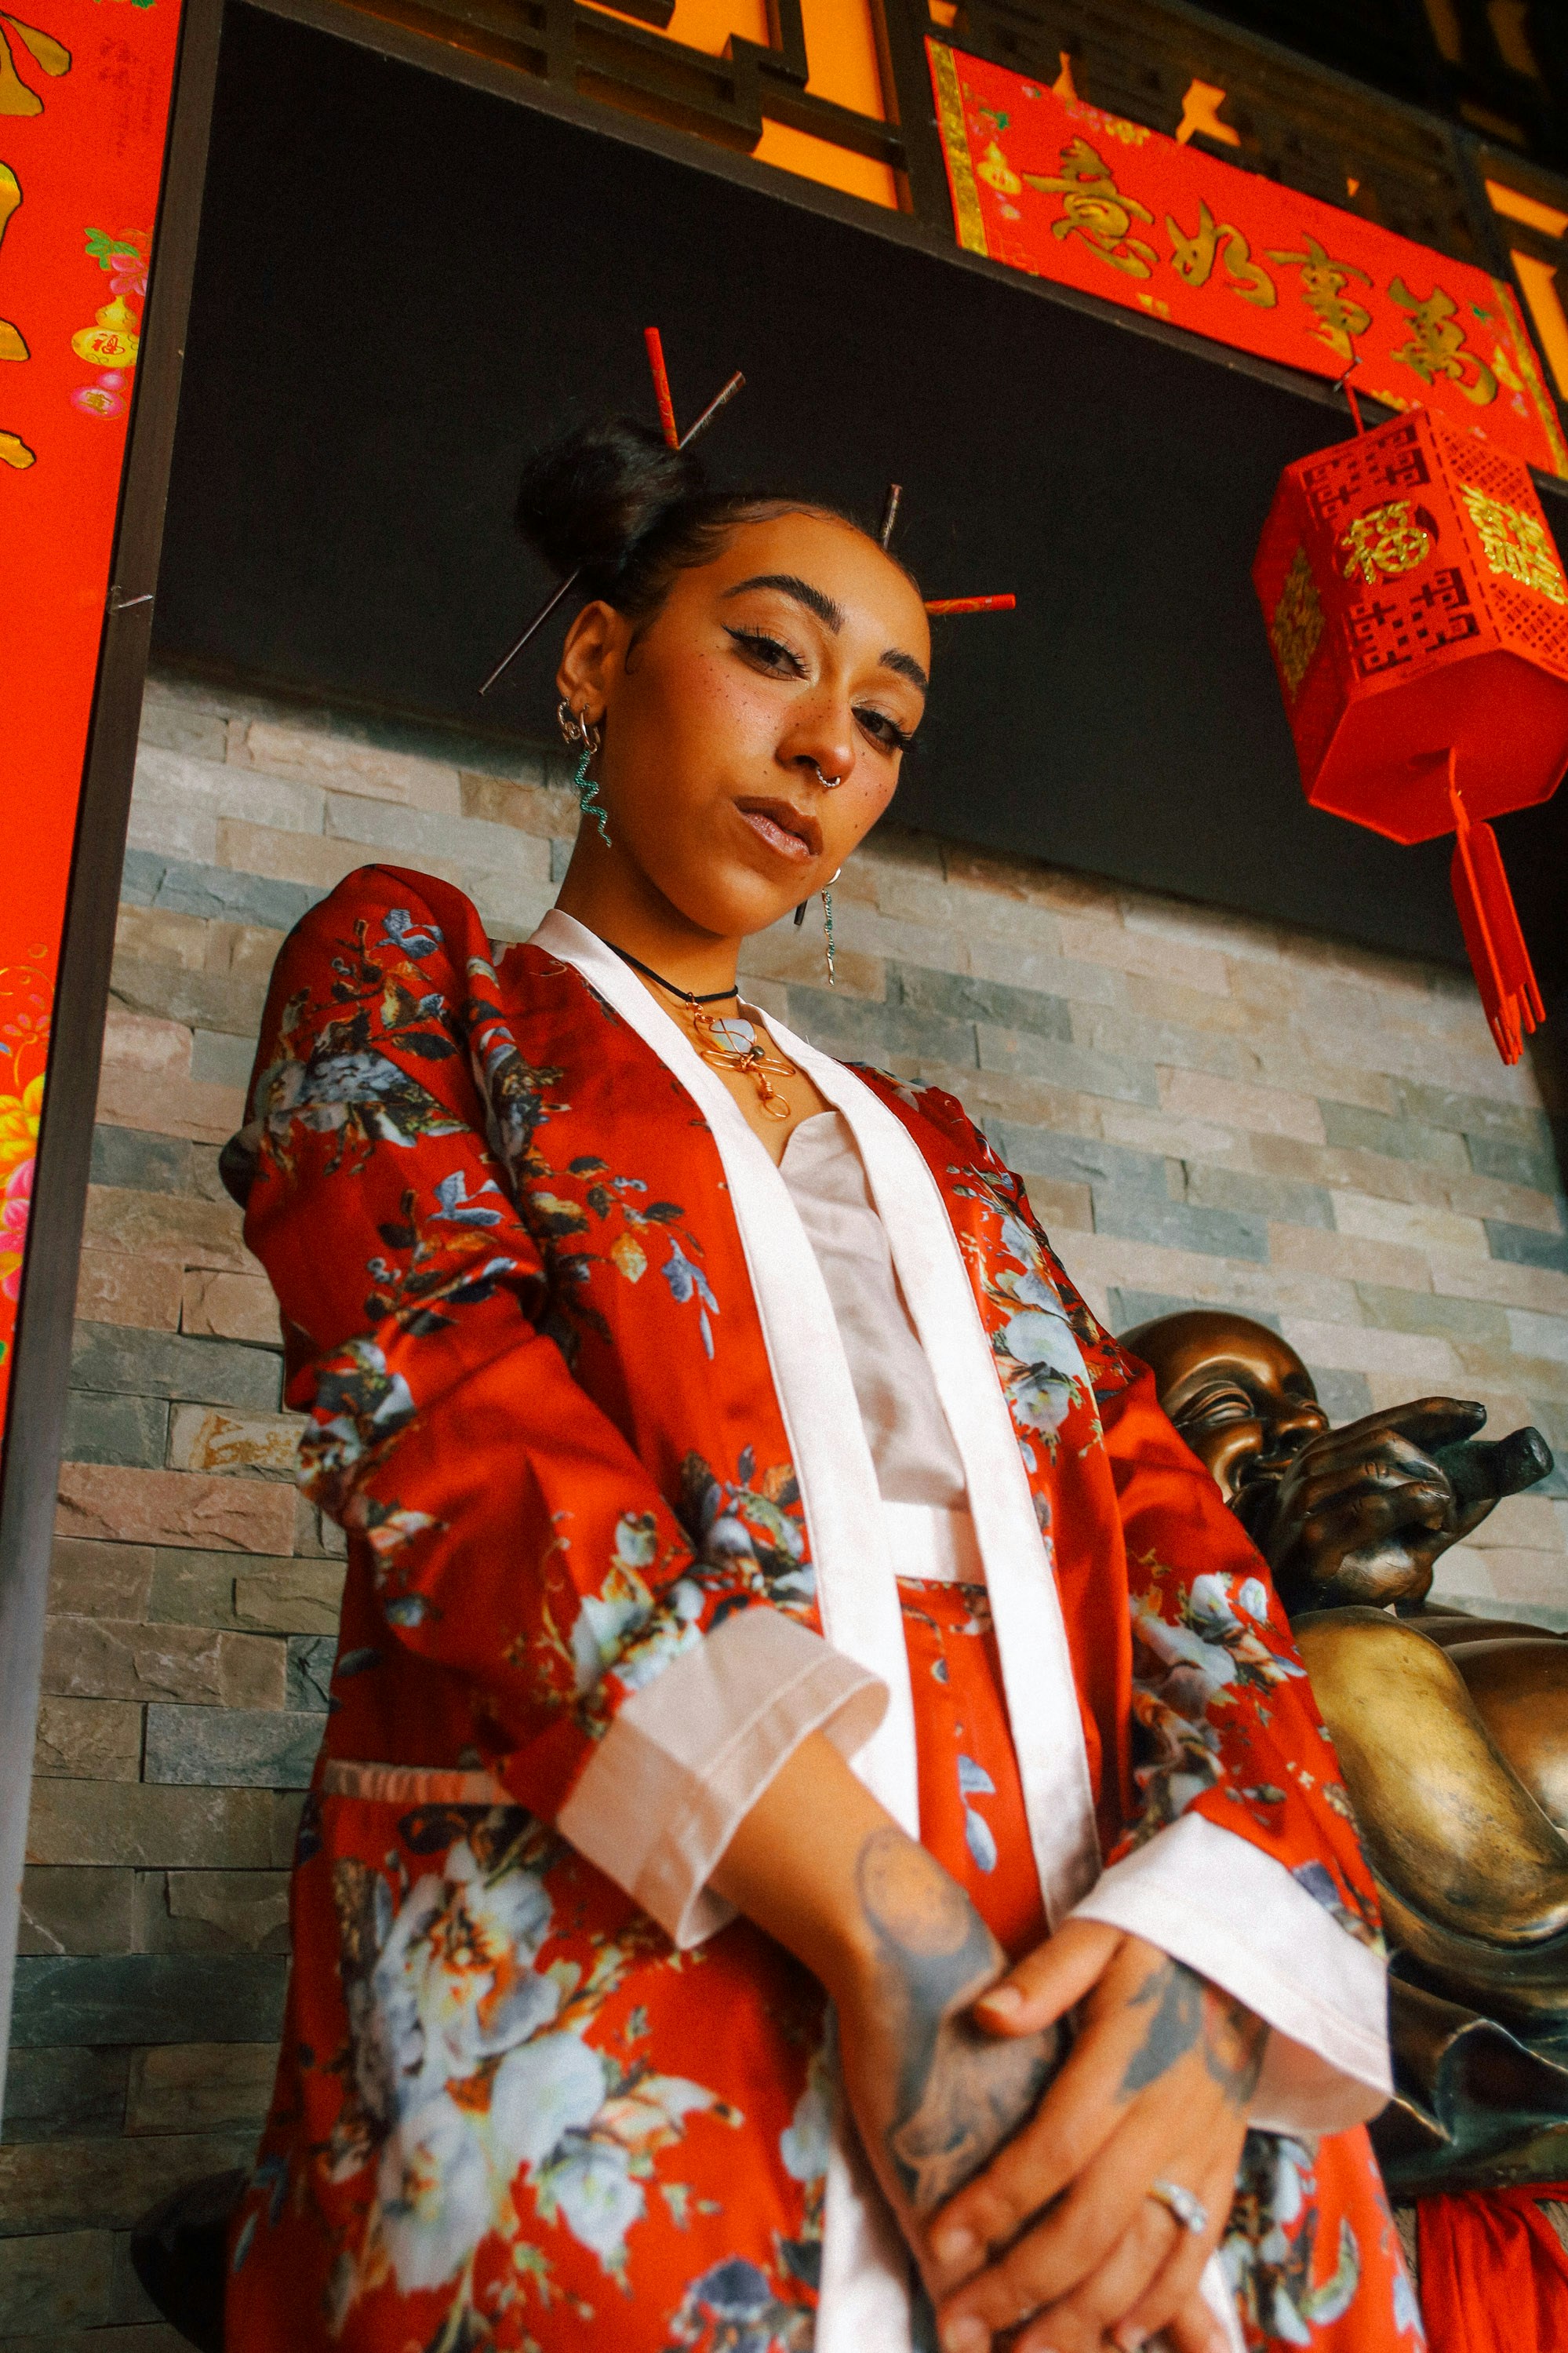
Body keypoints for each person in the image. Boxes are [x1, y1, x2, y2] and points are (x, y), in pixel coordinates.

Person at [224, 421, 1417, 2353]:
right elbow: (438, 1410)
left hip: (1085, 1918)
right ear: (598, 664)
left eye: (884, 718)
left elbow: (1183, 1550)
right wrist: (889, 1926)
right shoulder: (416, 979)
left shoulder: (938, 1147)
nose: (827, 748)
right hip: (650, 1895)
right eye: (773, 654)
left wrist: (1207, 1960)